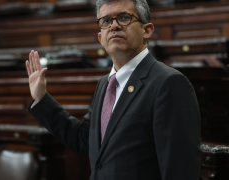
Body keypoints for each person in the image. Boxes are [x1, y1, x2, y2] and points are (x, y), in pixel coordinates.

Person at [25, 0, 201, 179]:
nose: (114, 25)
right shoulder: (105, 84)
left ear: (147, 30)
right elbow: (82, 139)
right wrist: (41, 98)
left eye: (124, 17)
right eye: (106, 21)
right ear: (101, 38)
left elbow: (180, 171)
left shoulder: (169, 83)